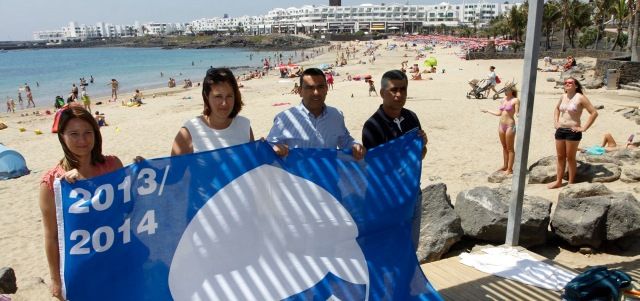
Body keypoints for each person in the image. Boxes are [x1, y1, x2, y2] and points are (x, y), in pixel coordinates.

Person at [39, 106, 124, 300]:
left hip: (116, 258)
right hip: (81, 268)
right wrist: (56, 280)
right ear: (62, 137)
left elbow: (128, 209)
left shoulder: (113, 166)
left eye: (88, 132)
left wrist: (138, 175)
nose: (83, 140)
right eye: (74, 134)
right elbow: (51, 237)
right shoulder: (53, 184)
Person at [361, 69, 428, 250]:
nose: (399, 95)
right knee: (387, 249)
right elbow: (376, 166)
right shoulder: (372, 125)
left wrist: (422, 145)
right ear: (382, 93)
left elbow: (419, 156)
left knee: (410, 247)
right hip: (387, 197)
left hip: (413, 192)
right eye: (393, 90)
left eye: (403, 89)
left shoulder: (411, 117)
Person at [267, 68, 365, 160]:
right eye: (310, 88)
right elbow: (268, 147)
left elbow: (345, 140)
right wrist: (274, 148)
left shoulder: (336, 115)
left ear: (326, 89)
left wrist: (355, 145)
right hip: (298, 177)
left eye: (320, 87)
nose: (316, 92)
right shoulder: (285, 118)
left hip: (330, 176)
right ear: (300, 91)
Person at [172, 67, 253, 155]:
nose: (224, 103)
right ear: (207, 97)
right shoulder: (189, 132)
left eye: (229, 96)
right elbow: (174, 168)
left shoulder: (244, 126)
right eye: (218, 96)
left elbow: (254, 166)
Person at [548, 77, 598, 189]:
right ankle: (558, 181)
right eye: (565, 82)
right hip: (560, 130)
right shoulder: (563, 96)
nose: (567, 84)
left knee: (570, 158)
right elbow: (557, 108)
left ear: (576, 85)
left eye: (570, 82)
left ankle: (570, 183)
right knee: (560, 157)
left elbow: (594, 113)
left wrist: (584, 128)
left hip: (573, 131)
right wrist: (556, 122)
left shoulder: (580, 98)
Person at [481, 84, 520, 174]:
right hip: (501, 125)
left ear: (511, 90)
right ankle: (505, 165)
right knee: (504, 147)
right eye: (504, 90)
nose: (504, 91)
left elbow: (517, 113)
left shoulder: (515, 100)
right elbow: (499, 113)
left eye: (506, 90)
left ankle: (510, 169)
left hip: (510, 126)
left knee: (510, 148)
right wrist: (487, 110)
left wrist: (520, 114)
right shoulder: (503, 100)